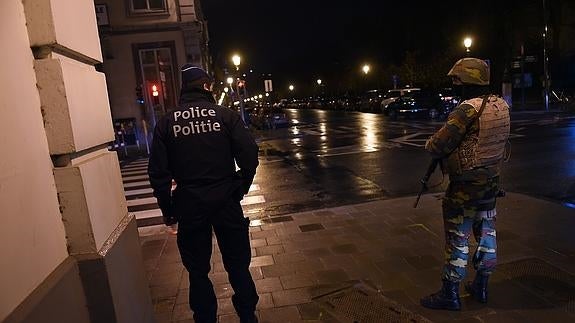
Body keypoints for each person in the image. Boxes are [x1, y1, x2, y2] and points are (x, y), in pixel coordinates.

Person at [148, 65, 260, 323]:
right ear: (207, 86)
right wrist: (240, 187)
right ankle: (247, 314)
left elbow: (158, 174)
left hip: (190, 204)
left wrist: (168, 211)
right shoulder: (226, 116)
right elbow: (249, 156)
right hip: (226, 201)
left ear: (183, 89)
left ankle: (206, 317)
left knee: (197, 271)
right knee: (238, 264)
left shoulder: (167, 122)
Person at [420, 58, 510, 311]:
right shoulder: (501, 105)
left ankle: (450, 293)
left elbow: (439, 144)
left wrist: (430, 144)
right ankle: (481, 285)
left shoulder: (467, 109)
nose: (454, 84)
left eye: (457, 79)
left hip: (465, 187)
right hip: (491, 183)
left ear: (469, 80)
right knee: (487, 234)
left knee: (458, 237)